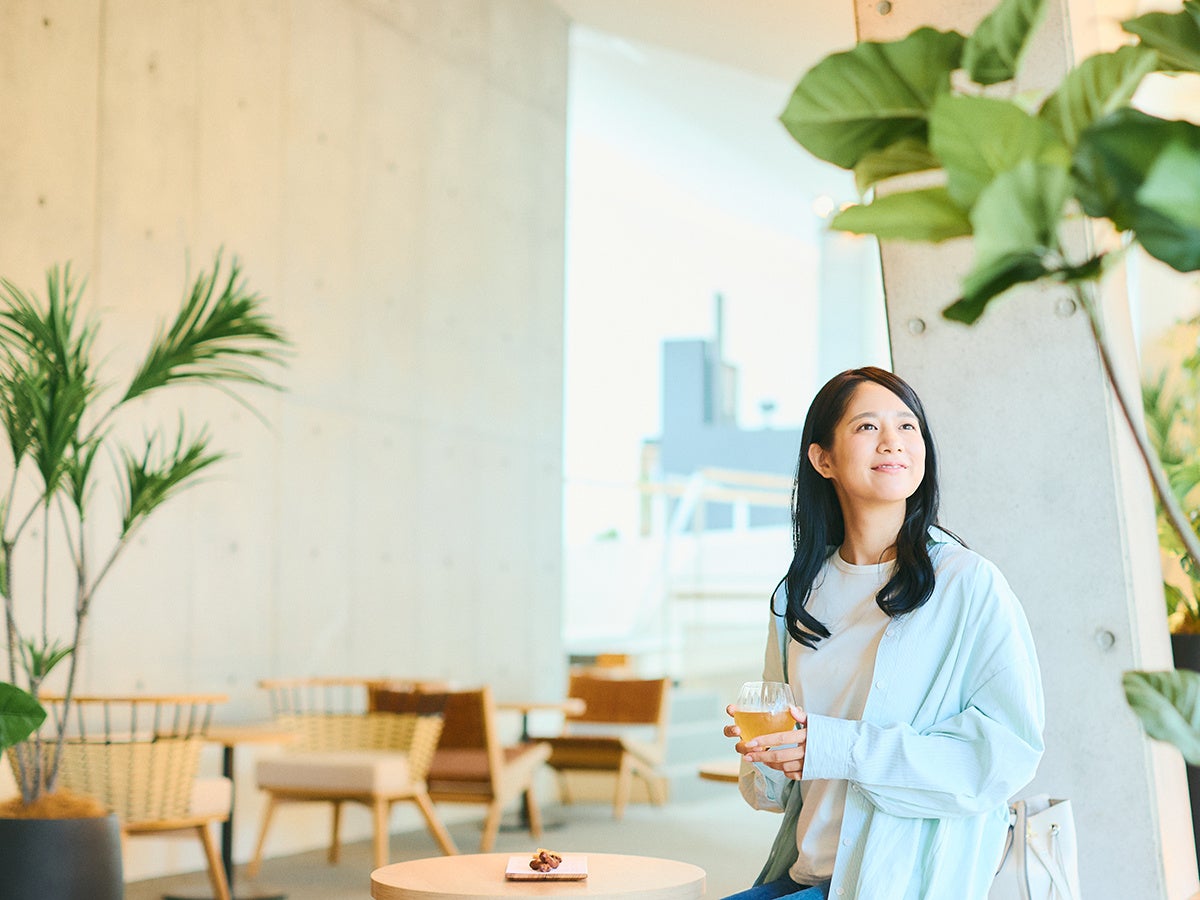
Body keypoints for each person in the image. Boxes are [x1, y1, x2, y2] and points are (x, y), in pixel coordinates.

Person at [723, 367, 1044, 900]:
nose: (893, 441)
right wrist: (767, 753)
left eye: (908, 426)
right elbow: (777, 794)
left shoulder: (966, 585)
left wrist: (832, 746)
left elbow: (1004, 758)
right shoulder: (799, 595)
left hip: (897, 884)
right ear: (822, 458)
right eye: (868, 427)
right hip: (808, 874)